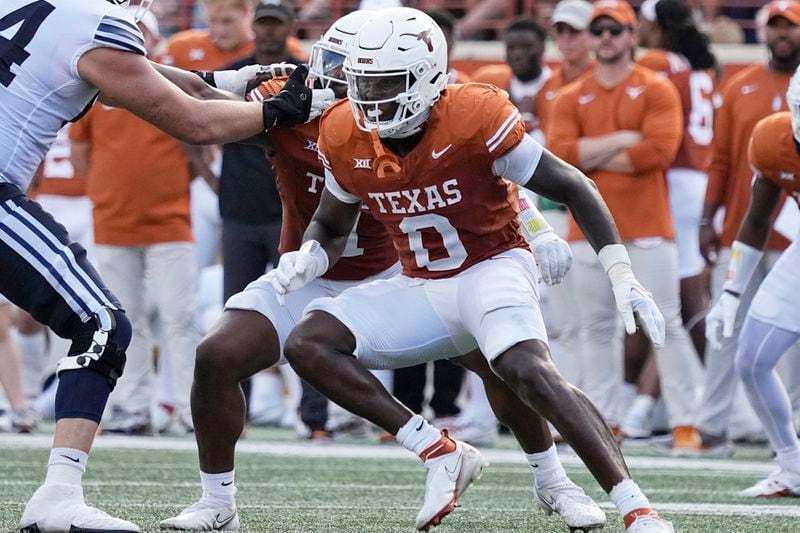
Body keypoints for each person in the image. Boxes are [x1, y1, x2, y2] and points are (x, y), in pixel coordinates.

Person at [161, 11, 606, 531]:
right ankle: (218, 504)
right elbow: (188, 101)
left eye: (346, 68)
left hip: (402, 269)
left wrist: (538, 228)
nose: (328, 76)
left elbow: (487, 173)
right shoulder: (290, 102)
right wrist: (118, 63)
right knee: (216, 355)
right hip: (312, 269)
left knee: (504, 365)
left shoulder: (418, 106)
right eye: (330, 63)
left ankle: (554, 481)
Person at [277, 7, 672, 533]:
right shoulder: (343, 130)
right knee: (308, 342)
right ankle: (437, 448)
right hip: (421, 282)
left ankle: (636, 507)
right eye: (362, 84)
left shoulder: (474, 115)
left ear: (425, 77)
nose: (369, 99)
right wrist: (309, 256)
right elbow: (330, 222)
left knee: (525, 369)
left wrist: (621, 274)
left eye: (385, 84)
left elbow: (573, 185)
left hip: (493, 264)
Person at [0, 0, 325, 529]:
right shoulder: (94, 24)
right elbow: (193, 121)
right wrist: (284, 111)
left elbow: (157, 81)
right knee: (100, 325)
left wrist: (231, 80)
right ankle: (58, 494)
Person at [547, 0, 703, 453]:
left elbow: (657, 152)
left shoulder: (656, 88)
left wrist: (590, 155)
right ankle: (603, 420)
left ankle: (685, 423)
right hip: (589, 232)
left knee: (665, 325)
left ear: (633, 35)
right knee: (595, 329)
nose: (606, 38)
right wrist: (621, 142)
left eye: (615, 30)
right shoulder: (572, 96)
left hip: (648, 228)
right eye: (599, 31)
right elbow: (561, 157)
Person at [69, 9, 203, 436]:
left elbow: (194, 148)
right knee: (123, 320)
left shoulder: (169, 78)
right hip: (113, 217)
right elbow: (80, 151)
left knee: (180, 315)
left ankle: (190, 407)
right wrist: (106, 191)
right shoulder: (96, 78)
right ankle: (133, 406)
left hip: (169, 218)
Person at [696, 0, 800, 456]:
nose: (782, 34)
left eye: (790, 27)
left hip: (791, 240)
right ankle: (720, 427)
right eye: (774, 26)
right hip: (761, 233)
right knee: (736, 335)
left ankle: (791, 432)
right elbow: (723, 166)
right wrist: (709, 216)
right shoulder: (746, 98)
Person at [622, 0, 718, 440]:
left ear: (657, 28)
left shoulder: (659, 63)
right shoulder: (698, 67)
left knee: (671, 306)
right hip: (694, 179)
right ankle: (683, 399)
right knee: (685, 303)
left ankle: (652, 405)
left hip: (671, 183)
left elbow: (641, 119)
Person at [720, 77, 800, 497]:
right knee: (751, 359)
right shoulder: (774, 139)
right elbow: (756, 219)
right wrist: (733, 290)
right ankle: (792, 466)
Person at [471, 17, 551, 142]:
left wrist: (526, 119)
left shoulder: (559, 86)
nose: (517, 54)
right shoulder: (490, 83)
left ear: (542, 47)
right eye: (511, 48)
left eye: (526, 47)